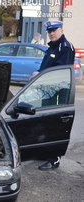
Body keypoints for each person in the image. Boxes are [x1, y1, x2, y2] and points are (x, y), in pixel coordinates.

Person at [31, 20, 75, 170]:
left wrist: (40, 74)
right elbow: (47, 67)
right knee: (46, 124)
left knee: (55, 125)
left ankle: (54, 158)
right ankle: (46, 153)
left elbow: (60, 74)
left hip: (59, 93)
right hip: (48, 92)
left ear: (61, 30)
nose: (51, 33)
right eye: (49, 31)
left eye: (54, 30)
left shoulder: (65, 47)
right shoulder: (52, 48)